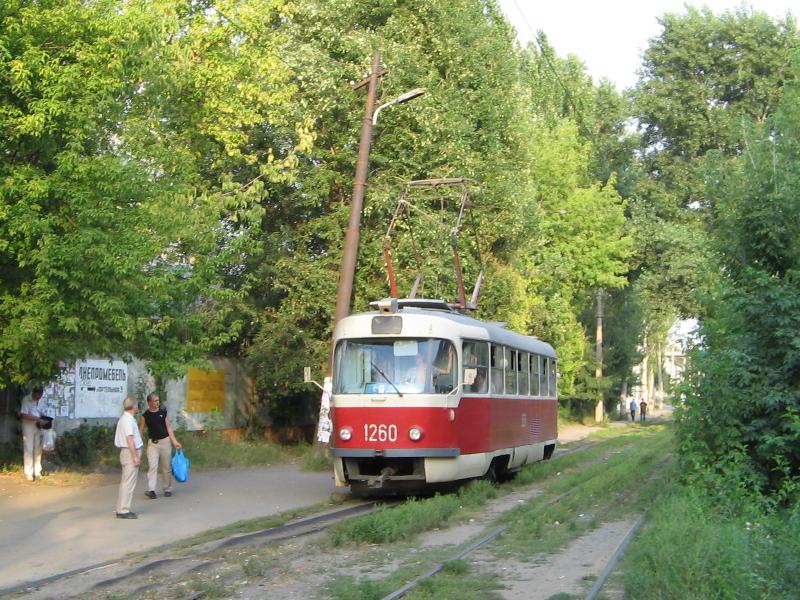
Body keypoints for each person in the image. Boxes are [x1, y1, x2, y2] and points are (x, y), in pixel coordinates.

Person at [139, 392, 182, 499]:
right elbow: (141, 430)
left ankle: (167, 488)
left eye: (158, 400)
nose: (157, 403)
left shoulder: (163, 412)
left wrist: (174, 441)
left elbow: (169, 428)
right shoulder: (145, 416)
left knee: (166, 467)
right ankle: (151, 490)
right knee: (152, 466)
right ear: (149, 402)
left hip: (165, 442)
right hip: (153, 444)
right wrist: (138, 444)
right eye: (155, 401)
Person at [115, 396, 143, 519]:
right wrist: (135, 456)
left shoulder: (126, 418)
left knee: (126, 481)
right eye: (137, 404)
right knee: (128, 482)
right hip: (129, 452)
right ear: (134, 406)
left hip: (127, 452)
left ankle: (121, 508)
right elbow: (129, 439)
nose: (138, 406)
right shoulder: (127, 420)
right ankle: (123, 510)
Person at [20, 387, 48, 481]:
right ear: (33, 393)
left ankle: (37, 472)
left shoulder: (41, 400)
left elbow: (43, 412)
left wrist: (44, 420)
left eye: (40, 396)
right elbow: (23, 415)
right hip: (28, 426)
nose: (39, 398)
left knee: (38, 449)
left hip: (39, 426)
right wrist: (37, 419)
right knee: (28, 448)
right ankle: (28, 473)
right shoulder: (26, 399)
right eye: (37, 395)